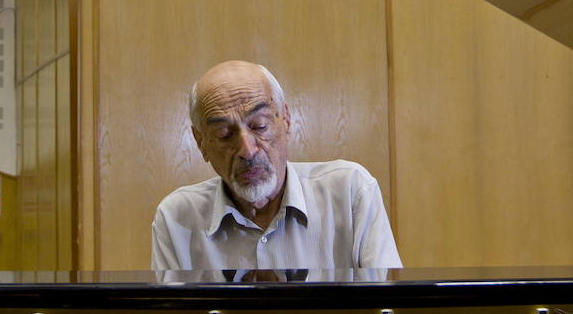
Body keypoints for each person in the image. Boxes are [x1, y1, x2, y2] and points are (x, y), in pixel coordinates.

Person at [151, 60, 402, 271]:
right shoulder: (177, 218)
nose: (248, 151)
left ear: (286, 120)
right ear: (200, 142)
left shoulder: (350, 192)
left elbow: (388, 313)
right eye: (224, 134)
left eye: (259, 126)